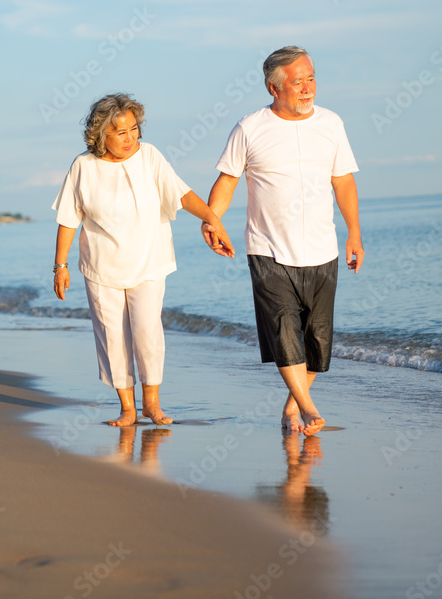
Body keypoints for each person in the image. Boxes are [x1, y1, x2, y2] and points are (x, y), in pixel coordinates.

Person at [202, 46, 363, 436]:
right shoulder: (250, 128)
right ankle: (308, 408)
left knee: (316, 340)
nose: (308, 88)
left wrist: (354, 232)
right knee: (283, 329)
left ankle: (292, 407)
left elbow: (342, 180)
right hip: (268, 249)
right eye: (298, 81)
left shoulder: (331, 123)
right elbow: (228, 179)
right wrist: (212, 220)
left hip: (322, 249)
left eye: (311, 78)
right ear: (274, 88)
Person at [53, 93, 235, 427]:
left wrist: (212, 219)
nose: (130, 138)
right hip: (101, 265)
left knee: (147, 330)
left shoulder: (149, 156)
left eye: (134, 129)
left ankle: (152, 403)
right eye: (120, 132)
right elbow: (68, 217)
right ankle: (127, 409)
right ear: (101, 133)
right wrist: (60, 265)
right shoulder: (83, 166)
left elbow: (181, 193)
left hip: (149, 261)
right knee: (111, 335)